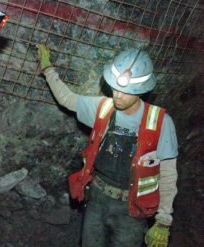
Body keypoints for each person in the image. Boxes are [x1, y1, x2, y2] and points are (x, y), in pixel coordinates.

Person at [37, 44, 178, 247]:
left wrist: (163, 220)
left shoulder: (161, 123)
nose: (117, 95)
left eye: (126, 91)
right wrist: (48, 69)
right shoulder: (103, 107)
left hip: (132, 210)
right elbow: (67, 99)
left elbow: (167, 174)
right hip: (97, 200)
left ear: (142, 90)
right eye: (115, 87)